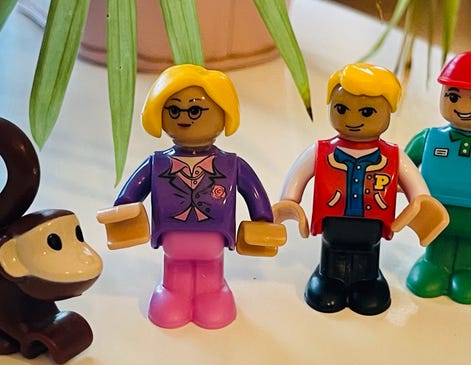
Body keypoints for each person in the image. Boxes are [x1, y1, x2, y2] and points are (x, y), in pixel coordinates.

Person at [97, 64, 285, 329]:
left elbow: (254, 193)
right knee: (176, 274)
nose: (184, 117)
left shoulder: (232, 165)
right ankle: (173, 293)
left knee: (211, 276)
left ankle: (213, 294)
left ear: (224, 113)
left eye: (196, 110)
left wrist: (262, 217)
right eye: (174, 110)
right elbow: (131, 194)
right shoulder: (157, 164)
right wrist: (124, 209)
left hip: (214, 239)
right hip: (173, 239)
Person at [273, 63, 448, 315]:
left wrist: (420, 202)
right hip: (333, 221)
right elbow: (297, 178)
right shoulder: (321, 151)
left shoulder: (394, 156)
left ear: (388, 112)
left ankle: (367, 281)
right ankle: (329, 278)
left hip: (372, 224)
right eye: (341, 109)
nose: (352, 120)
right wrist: (290, 201)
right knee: (333, 252)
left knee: (368, 254)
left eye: (367, 112)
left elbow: (418, 190)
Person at [405, 51, 471, 304]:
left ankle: (470, 270)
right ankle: (435, 264)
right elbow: (402, 165)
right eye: (454, 96)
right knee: (438, 238)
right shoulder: (429, 138)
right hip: (436, 209)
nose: (464, 108)